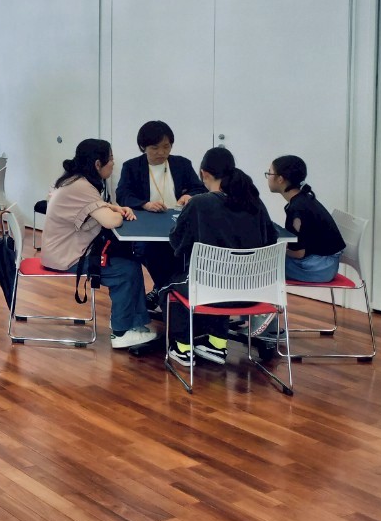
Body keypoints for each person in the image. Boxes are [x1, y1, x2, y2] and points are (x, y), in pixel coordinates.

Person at [41, 139, 157, 349]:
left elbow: (98, 207)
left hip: (64, 250)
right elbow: (111, 221)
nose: (113, 163)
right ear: (97, 164)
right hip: (66, 257)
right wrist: (118, 212)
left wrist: (114, 207)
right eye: (110, 159)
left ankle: (130, 322)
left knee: (127, 261)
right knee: (126, 270)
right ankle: (121, 332)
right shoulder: (81, 186)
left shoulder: (73, 180)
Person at [167, 148, 278, 366]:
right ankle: (216, 344)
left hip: (211, 291)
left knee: (169, 285)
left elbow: (177, 243)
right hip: (254, 291)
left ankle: (182, 347)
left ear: (204, 173)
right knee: (222, 277)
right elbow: (271, 238)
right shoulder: (254, 202)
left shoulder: (199, 203)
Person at [115, 121, 208, 298]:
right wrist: (145, 204)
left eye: (166, 147)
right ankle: (167, 290)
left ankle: (165, 291)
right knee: (150, 252)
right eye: (155, 148)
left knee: (184, 252)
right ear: (143, 147)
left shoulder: (182, 164)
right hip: (148, 227)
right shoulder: (132, 167)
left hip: (178, 223)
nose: (161, 152)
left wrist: (189, 196)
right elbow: (123, 195)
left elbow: (200, 188)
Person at [266, 155, 345, 283]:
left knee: (263, 263)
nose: (268, 177)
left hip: (319, 267)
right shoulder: (303, 199)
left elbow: (299, 253)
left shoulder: (298, 208)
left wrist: (276, 249)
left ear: (280, 179)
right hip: (325, 262)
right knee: (269, 254)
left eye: (269, 173)